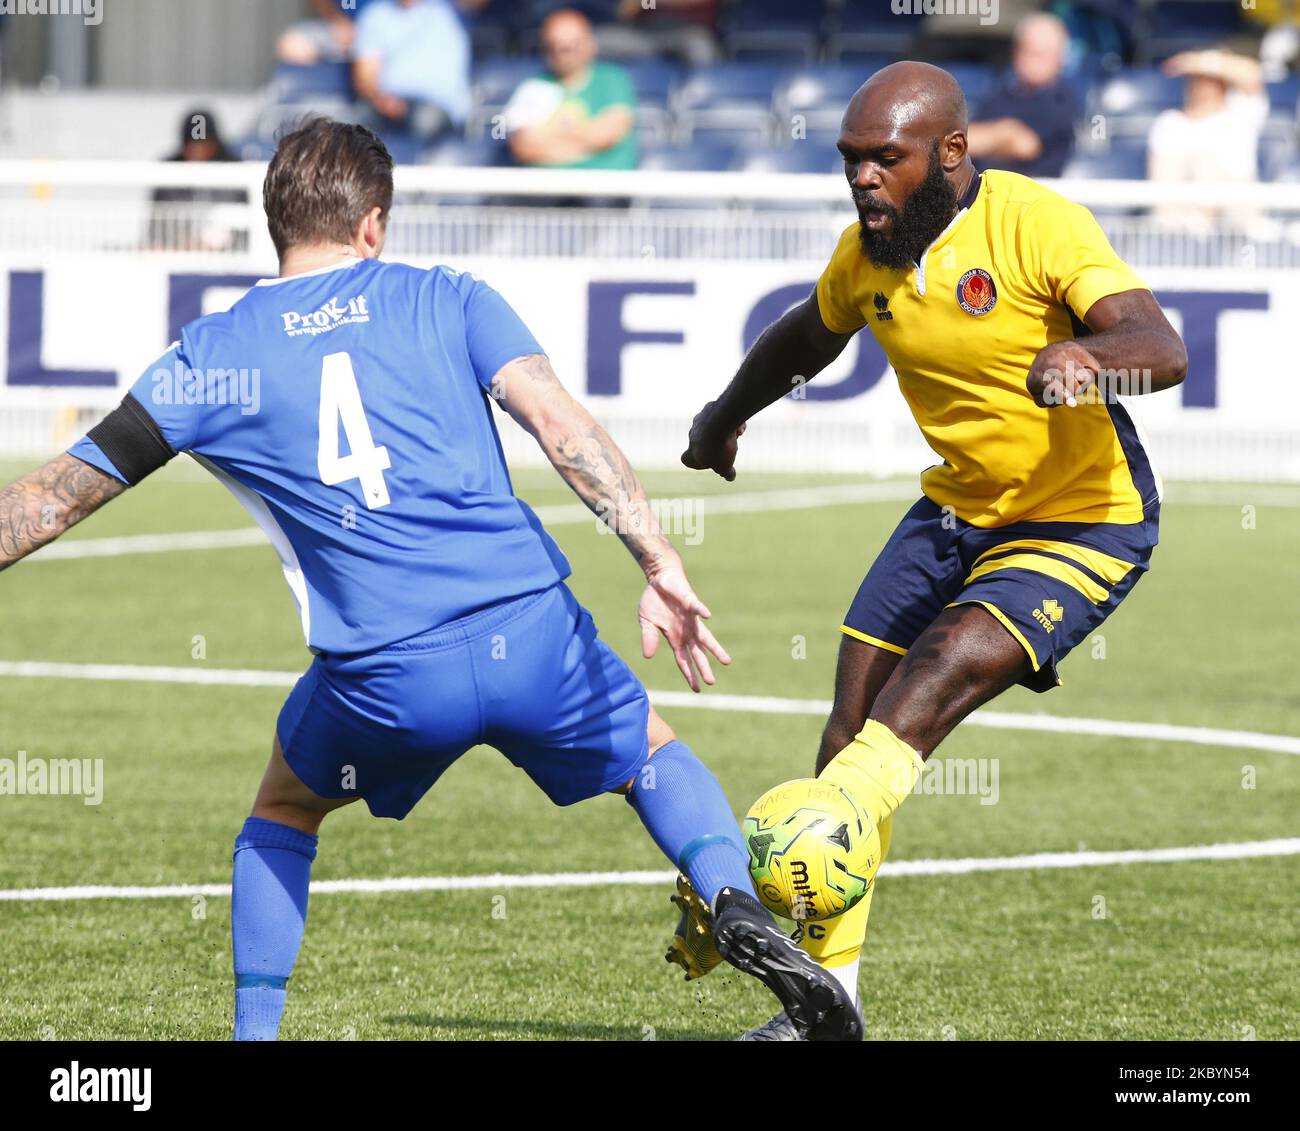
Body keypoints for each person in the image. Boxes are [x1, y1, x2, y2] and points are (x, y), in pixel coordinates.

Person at [0, 118, 861, 1042]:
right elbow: (562, 428)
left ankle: (255, 1037)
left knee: (284, 809)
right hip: (531, 632)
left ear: (273, 218)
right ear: (373, 224)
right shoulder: (449, 295)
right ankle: (733, 898)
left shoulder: (212, 357)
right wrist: (657, 557)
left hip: (385, 676)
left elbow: (53, 499)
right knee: (655, 757)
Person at [676, 62, 1187, 1040]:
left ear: (951, 152)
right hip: (954, 513)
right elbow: (804, 338)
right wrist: (719, 422)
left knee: (937, 672)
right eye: (851, 160)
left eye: (885, 158)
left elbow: (1160, 346)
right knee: (847, 735)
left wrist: (1085, 356)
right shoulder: (866, 256)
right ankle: (831, 1007)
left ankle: (765, 892)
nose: (864, 177)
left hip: (1082, 518)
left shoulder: (1037, 223)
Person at [1148, 49, 1268, 234]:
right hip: (1180, 218)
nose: (1202, 86)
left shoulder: (1241, 115)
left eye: (1210, 80)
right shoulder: (1169, 122)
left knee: (1207, 166)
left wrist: (1196, 61)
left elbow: (1251, 74)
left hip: (1235, 216)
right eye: (1197, 79)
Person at [505, 8, 637, 170]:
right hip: (543, 191)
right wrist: (585, 142)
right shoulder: (533, 85)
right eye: (553, 46)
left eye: (570, 46)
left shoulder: (613, 79)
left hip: (602, 189)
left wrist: (549, 135)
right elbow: (524, 147)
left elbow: (606, 134)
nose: (562, 54)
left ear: (591, 44)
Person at [967, 12, 1078, 178]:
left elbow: (1024, 145)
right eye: (1029, 51)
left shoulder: (1062, 101)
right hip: (983, 188)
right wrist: (1004, 133)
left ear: (1060, 57)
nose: (1034, 61)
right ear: (1017, 52)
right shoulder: (999, 94)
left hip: (1033, 193)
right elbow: (963, 141)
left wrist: (991, 137)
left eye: (1043, 53)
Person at [352, 0, 475, 146]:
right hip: (387, 105)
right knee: (349, 126)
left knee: (425, 120)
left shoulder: (451, 8)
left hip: (440, 108)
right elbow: (365, 75)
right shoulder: (375, 14)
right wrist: (382, 100)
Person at [148, 107, 249, 252]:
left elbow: (245, 228)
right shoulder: (169, 173)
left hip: (228, 260)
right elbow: (157, 228)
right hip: (176, 254)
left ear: (215, 144)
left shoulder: (235, 171)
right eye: (192, 145)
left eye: (204, 144)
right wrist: (181, 240)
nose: (198, 151)